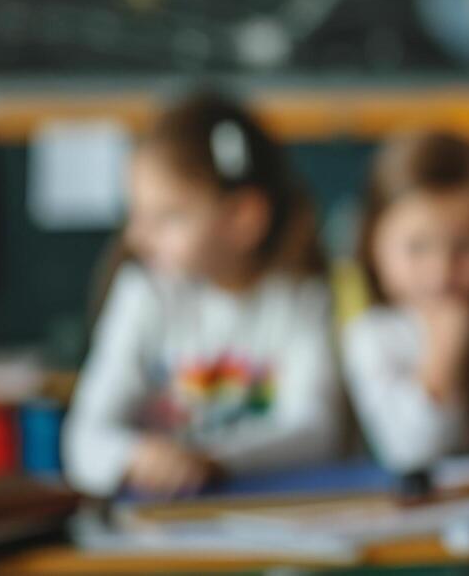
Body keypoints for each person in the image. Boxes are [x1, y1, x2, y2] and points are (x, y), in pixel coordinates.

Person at [64, 90, 343, 498]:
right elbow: (83, 441)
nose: (136, 236)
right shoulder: (144, 295)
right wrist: (138, 456)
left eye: (167, 216)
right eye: (136, 214)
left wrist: (210, 458)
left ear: (242, 217)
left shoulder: (303, 301)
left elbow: (318, 432)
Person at [340, 129, 469, 473]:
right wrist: (442, 357)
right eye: (417, 247)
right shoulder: (371, 335)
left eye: (466, 247)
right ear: (372, 244)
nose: (441, 273)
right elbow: (410, 452)